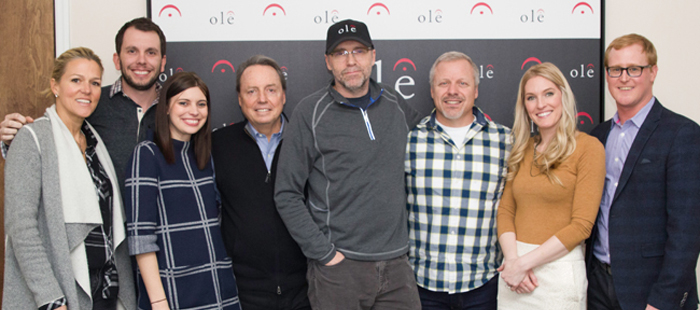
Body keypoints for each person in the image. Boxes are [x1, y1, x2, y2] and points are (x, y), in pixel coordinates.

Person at [274, 19, 423, 309]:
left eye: (358, 50)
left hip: (397, 267)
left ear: (373, 56)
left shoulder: (394, 103)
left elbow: (436, 131)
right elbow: (286, 193)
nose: (350, 60)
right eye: (340, 53)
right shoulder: (310, 112)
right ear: (328, 62)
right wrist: (325, 254)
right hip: (340, 269)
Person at [3, 47, 136, 309]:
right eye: (76, 80)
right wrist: (51, 300)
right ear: (55, 85)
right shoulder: (31, 139)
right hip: (61, 293)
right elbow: (21, 228)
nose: (86, 89)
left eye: (95, 82)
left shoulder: (96, 143)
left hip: (105, 290)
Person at [586, 34, 700, 310]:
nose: (624, 78)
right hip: (598, 285)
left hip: (650, 292)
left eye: (634, 69)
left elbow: (687, 231)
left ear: (652, 72)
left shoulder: (682, 134)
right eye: (616, 70)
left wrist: (663, 301)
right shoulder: (597, 136)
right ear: (607, 75)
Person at [124, 72, 241, 310]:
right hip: (172, 290)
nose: (194, 111)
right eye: (183, 103)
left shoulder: (206, 157)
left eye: (201, 104)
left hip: (219, 287)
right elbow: (141, 239)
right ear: (166, 107)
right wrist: (157, 301)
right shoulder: (147, 154)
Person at [405, 51, 511, 310]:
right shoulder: (409, 140)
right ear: (432, 90)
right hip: (421, 287)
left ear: (475, 90)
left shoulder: (506, 142)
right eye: (444, 83)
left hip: (484, 287)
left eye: (462, 83)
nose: (453, 91)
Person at [1, 17, 166, 182]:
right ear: (117, 60)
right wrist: (13, 142)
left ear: (163, 62)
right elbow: (48, 144)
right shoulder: (89, 102)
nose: (142, 60)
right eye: (132, 51)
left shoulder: (176, 110)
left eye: (151, 52)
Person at [497, 62, 605, 309]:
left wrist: (524, 264)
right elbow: (505, 212)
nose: (541, 104)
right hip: (514, 275)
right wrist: (514, 262)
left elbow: (581, 226)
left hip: (559, 272)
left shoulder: (589, 148)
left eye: (549, 93)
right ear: (524, 106)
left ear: (563, 96)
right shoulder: (522, 150)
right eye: (531, 97)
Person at [211, 55, 310, 310]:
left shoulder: (308, 143)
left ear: (283, 96)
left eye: (271, 90)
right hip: (242, 293)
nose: (262, 99)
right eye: (251, 91)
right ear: (240, 99)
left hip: (305, 291)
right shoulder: (217, 145)